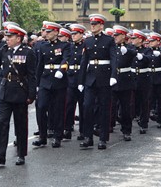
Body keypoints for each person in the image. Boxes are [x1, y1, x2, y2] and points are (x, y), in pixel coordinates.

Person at [0, 24, 36, 166]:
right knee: (3, 123)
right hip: (5, 91)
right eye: (6, 36)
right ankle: (0, 155)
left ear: (18, 38)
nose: (7, 39)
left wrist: (32, 95)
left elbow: (32, 75)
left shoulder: (28, 52)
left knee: (20, 125)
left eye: (10, 37)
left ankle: (21, 155)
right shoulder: (4, 50)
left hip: (20, 92)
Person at [78, 14, 117, 149]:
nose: (92, 26)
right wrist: (81, 81)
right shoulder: (87, 41)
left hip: (104, 78)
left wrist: (113, 75)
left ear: (101, 26)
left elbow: (113, 59)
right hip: (90, 79)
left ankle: (103, 138)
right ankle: (88, 137)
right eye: (91, 24)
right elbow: (84, 62)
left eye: (95, 24)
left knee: (104, 108)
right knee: (87, 107)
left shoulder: (109, 40)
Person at [32, 21, 71, 148]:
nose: (46, 34)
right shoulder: (43, 46)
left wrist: (61, 70)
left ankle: (57, 136)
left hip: (59, 80)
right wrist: (37, 83)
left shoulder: (65, 46)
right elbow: (39, 65)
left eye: (49, 32)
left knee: (58, 109)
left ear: (56, 32)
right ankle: (42, 136)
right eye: (46, 32)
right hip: (45, 79)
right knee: (41, 107)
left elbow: (66, 59)